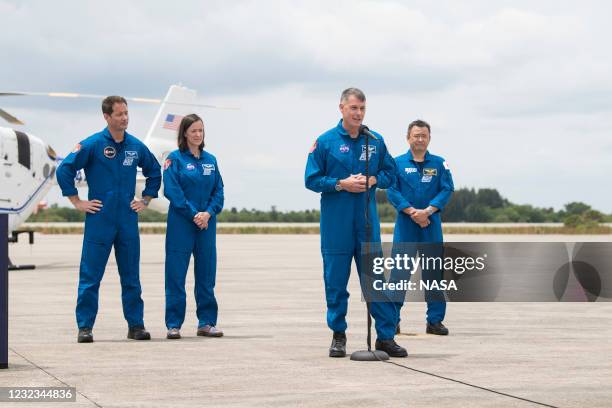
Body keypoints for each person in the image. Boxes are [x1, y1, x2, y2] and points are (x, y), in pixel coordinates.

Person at [305, 88, 407, 358]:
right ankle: (338, 336)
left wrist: (373, 180)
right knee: (336, 284)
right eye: (353, 108)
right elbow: (311, 179)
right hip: (336, 227)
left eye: (362, 109)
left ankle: (385, 337)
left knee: (376, 283)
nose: (358, 114)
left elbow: (390, 173)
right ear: (341, 108)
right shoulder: (325, 142)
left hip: (367, 226)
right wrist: (341, 184)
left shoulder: (375, 141)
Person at [56, 96, 161, 343]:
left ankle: (136, 325)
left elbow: (154, 172)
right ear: (106, 117)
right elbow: (64, 170)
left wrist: (145, 200)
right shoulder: (92, 144)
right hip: (99, 219)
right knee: (91, 276)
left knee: (131, 276)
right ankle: (85, 327)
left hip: (127, 219)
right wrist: (77, 201)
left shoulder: (136, 146)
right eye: (119, 114)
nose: (124, 118)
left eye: (126, 113)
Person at [387, 119, 454, 335]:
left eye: (424, 135)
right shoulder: (395, 163)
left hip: (431, 224)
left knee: (433, 273)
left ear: (429, 138)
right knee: (399, 273)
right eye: (416, 135)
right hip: (406, 225)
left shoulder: (440, 163)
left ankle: (434, 321)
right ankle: (392, 320)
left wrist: (428, 211)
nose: (420, 139)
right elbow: (392, 191)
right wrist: (412, 212)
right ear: (408, 138)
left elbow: (447, 189)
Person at [162, 114, 224, 340]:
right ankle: (174, 324)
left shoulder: (211, 160)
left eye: (201, 130)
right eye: (193, 131)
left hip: (206, 225)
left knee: (206, 274)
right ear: (184, 133)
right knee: (176, 274)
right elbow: (171, 190)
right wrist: (192, 213)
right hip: (181, 223)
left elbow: (219, 191)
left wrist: (208, 213)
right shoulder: (174, 159)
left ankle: (206, 322)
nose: (198, 135)